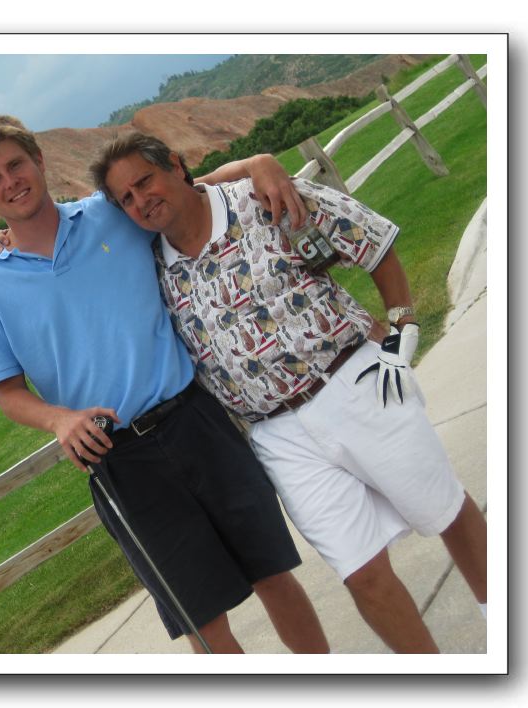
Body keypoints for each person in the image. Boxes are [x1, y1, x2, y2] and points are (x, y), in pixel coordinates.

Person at [89, 131, 488, 653]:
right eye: (126, 198)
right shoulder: (151, 265)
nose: (141, 200)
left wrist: (402, 323)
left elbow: (367, 239)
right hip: (277, 436)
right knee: (361, 573)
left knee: (444, 510)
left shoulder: (261, 198)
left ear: (176, 165)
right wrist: (2, 240)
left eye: (145, 181)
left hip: (352, 382)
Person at [0, 115, 329, 654]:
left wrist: (258, 163)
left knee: (273, 574)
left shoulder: (109, 213)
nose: (10, 181)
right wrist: (59, 420)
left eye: (16, 164)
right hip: (121, 463)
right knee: (205, 622)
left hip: (195, 419)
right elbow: (7, 391)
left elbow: (186, 192)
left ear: (39, 160)